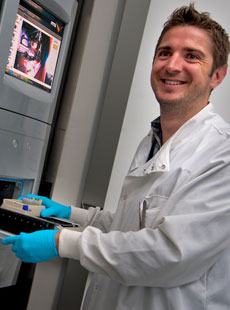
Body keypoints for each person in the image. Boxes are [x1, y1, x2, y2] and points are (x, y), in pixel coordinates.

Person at [2, 4, 230, 309]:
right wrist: (73, 214)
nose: (172, 65)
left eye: (192, 56)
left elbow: (167, 254)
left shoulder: (221, 155)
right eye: (164, 53)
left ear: (217, 75)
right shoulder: (153, 140)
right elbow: (131, 225)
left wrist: (61, 241)